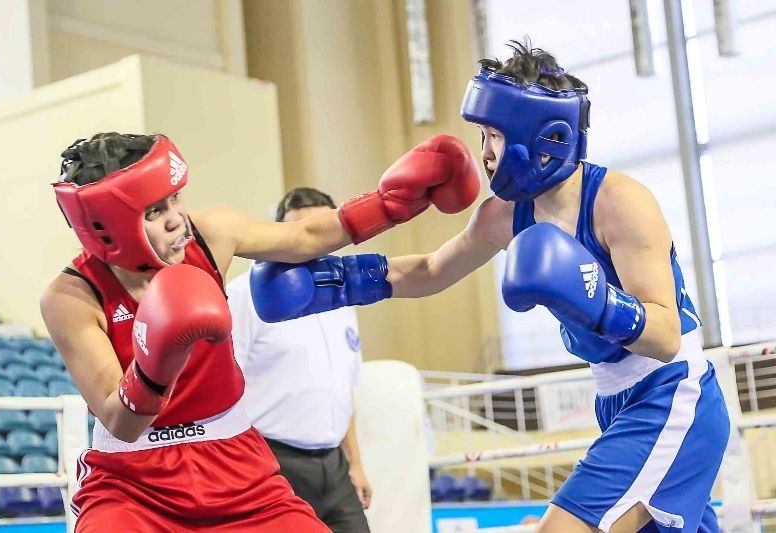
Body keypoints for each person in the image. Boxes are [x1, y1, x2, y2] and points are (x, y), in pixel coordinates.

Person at [249, 39, 731, 533]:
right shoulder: (504, 215)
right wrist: (336, 281)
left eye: (495, 136)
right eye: (482, 135)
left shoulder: (620, 203)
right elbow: (432, 270)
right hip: (615, 398)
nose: (485, 154)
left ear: (543, 137)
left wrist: (599, 300)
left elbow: (665, 336)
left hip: (672, 392)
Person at [38, 132, 480, 531]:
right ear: (106, 227)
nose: (177, 219)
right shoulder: (71, 296)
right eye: (155, 211)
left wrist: (392, 205)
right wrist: (161, 352)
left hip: (236, 466)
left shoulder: (210, 234)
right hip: (134, 483)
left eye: (175, 199)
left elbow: (306, 236)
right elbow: (121, 421)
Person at [227, 187, 373, 533]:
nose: (312, 242)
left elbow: (343, 389)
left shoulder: (342, 292)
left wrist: (355, 463)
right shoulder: (244, 295)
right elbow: (222, 392)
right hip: (272, 463)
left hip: (335, 467)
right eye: (302, 232)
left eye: (323, 231)